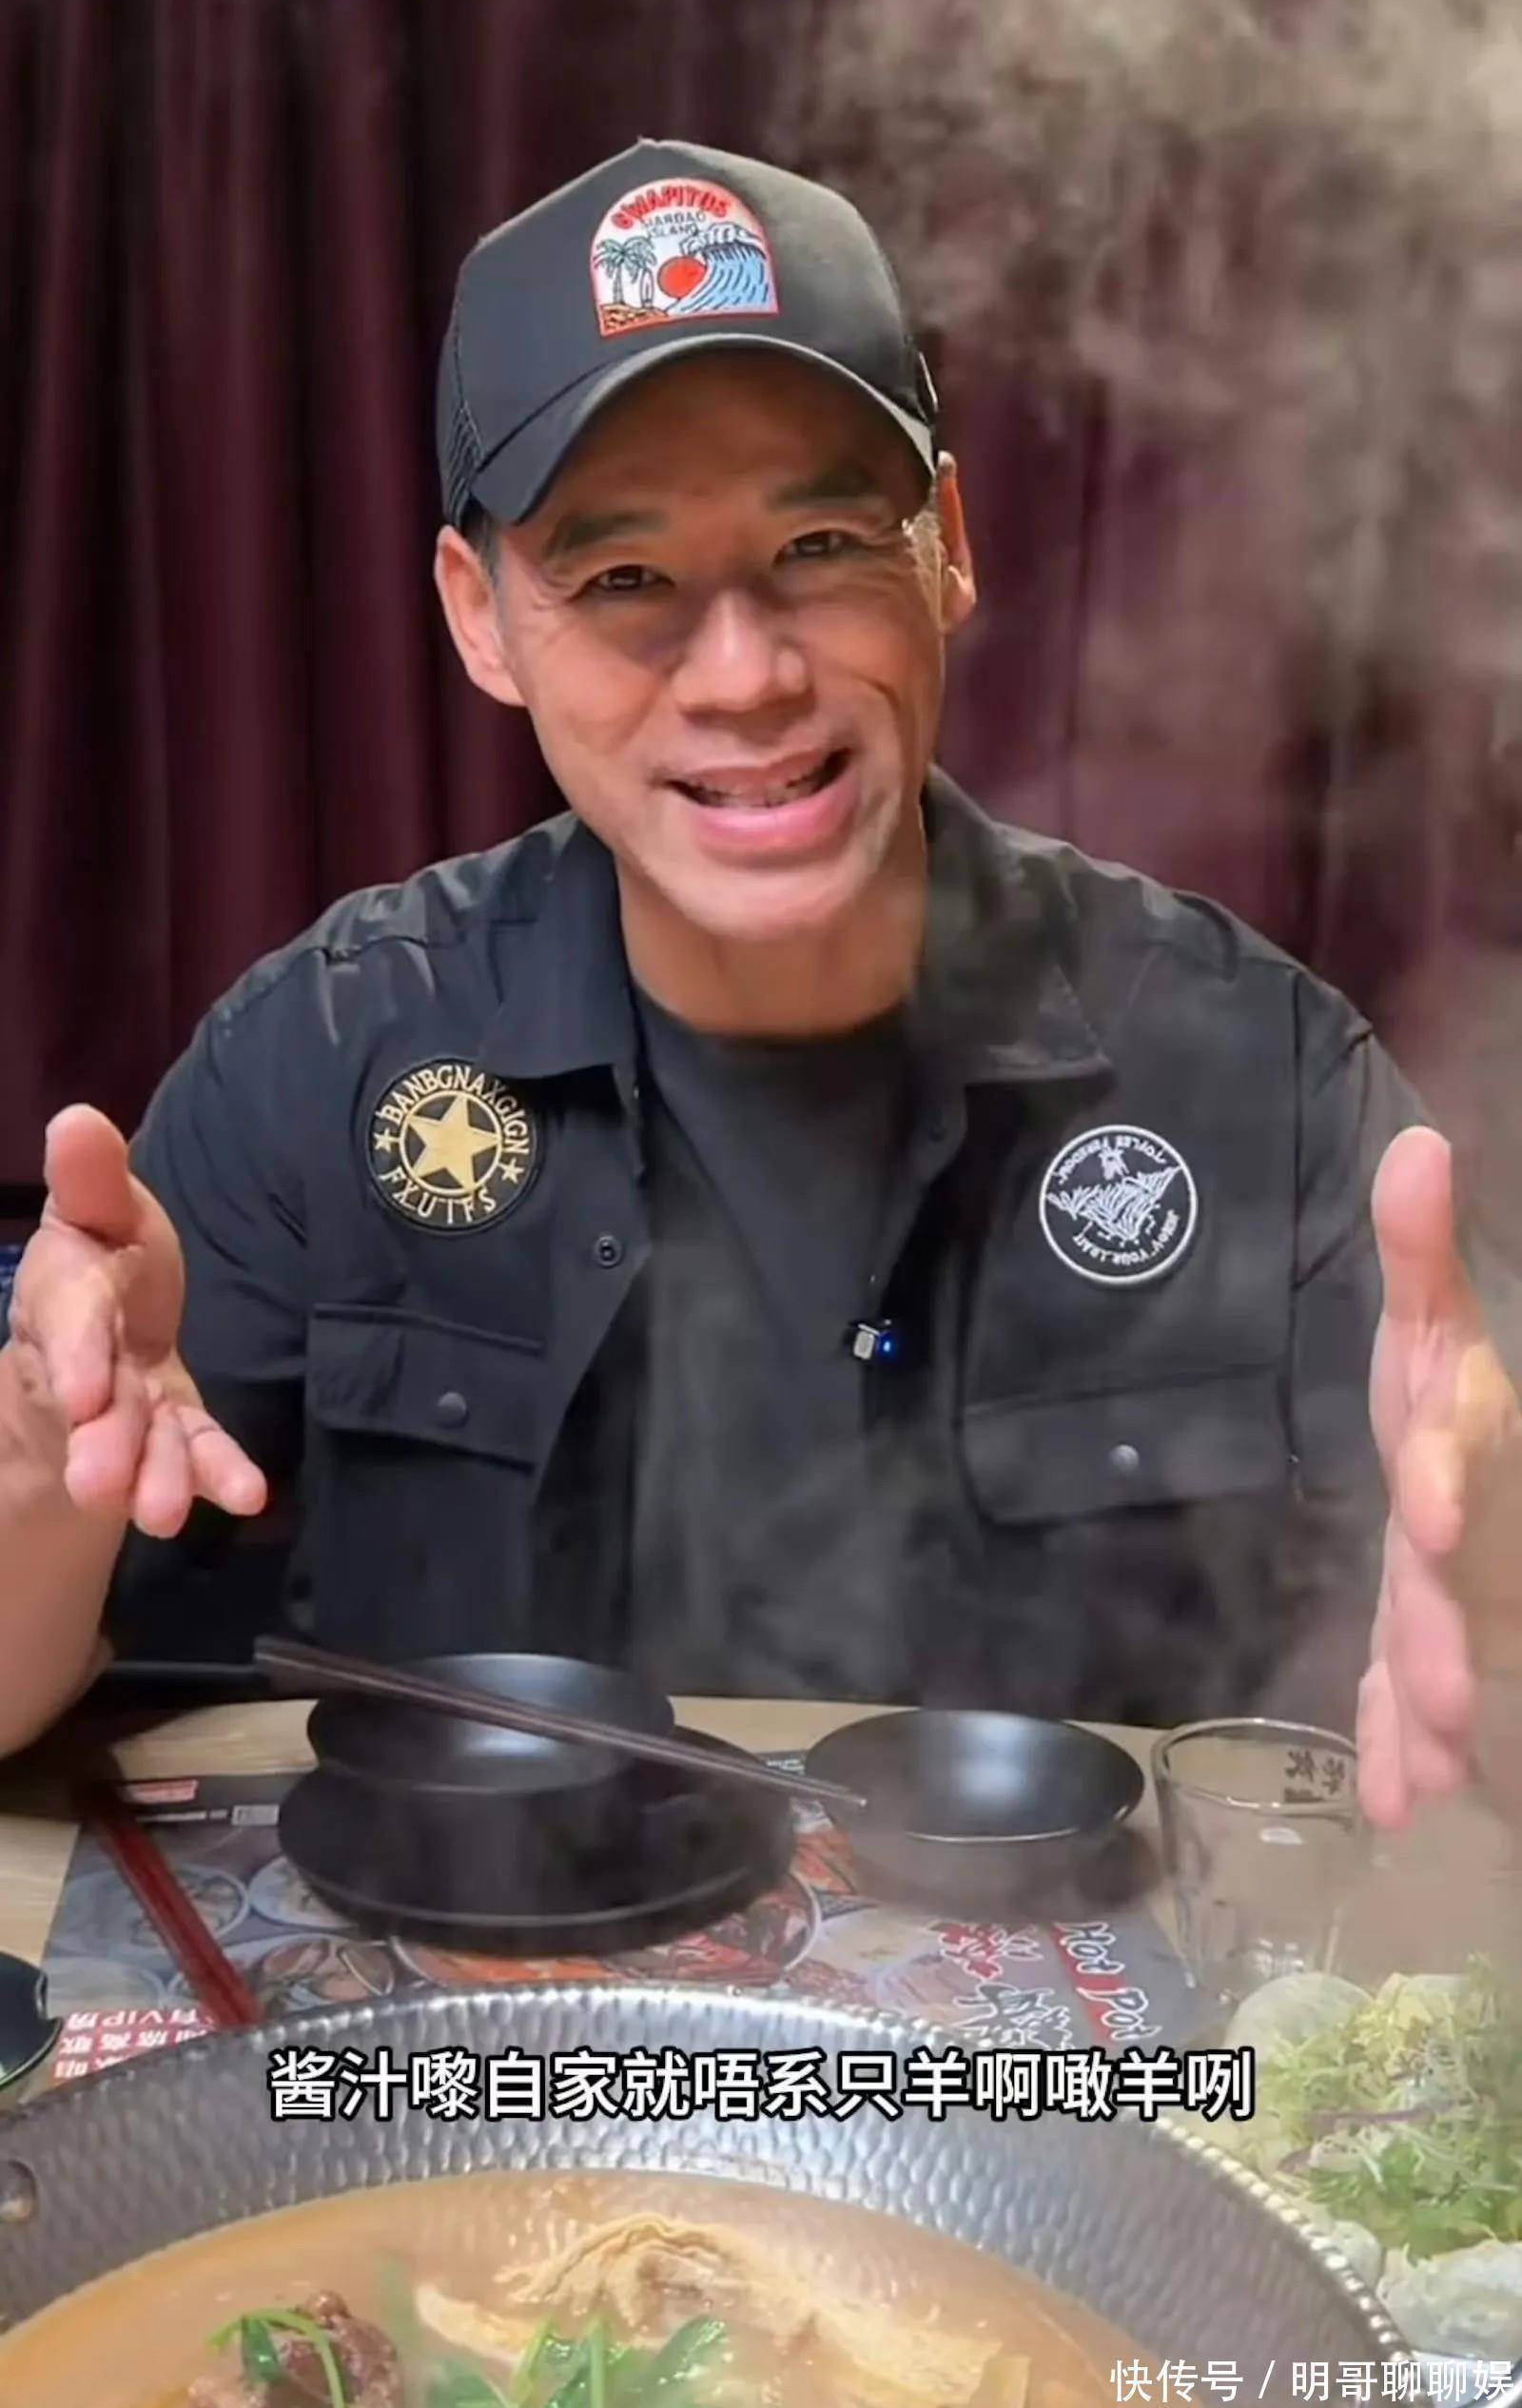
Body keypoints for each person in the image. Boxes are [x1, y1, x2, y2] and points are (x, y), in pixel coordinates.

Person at [0, 141, 1515, 1830]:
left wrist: (1498, 1615)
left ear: (945, 547)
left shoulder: (1259, 1077)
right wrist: (41, 1465)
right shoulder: (325, 1059)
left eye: (819, 541)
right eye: (624, 577)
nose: (744, 676)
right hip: (460, 1996)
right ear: (481, 619)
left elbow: (1477, 1635)